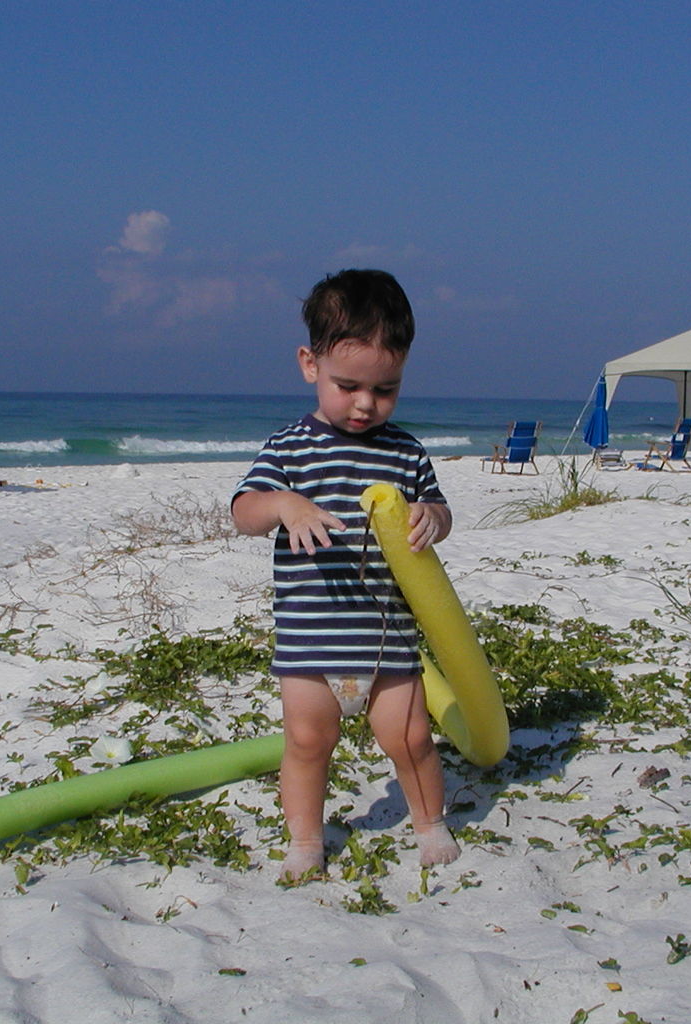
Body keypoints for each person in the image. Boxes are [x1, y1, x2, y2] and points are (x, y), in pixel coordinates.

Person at [232, 269, 461, 882]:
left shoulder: (407, 452)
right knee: (308, 744)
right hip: (311, 641)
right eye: (349, 385)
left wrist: (431, 517)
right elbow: (244, 512)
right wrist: (284, 504)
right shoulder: (289, 448)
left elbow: (440, 508)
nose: (366, 403)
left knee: (410, 740)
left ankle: (429, 823)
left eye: (386, 389)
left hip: (386, 638)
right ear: (310, 364)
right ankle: (306, 839)